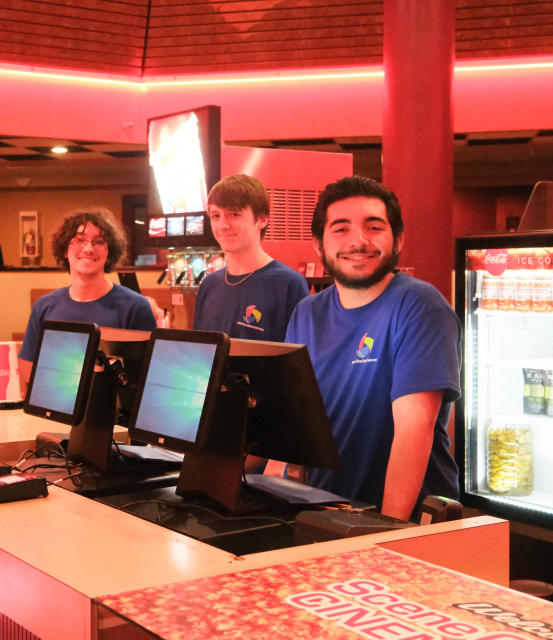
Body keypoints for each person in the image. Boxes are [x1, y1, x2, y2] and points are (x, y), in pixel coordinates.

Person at [285, 176, 461, 521]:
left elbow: (414, 429)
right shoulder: (307, 312)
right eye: (341, 229)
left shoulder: (419, 305)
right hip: (325, 512)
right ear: (319, 246)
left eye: (374, 227)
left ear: (397, 240)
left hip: (405, 522)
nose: (359, 241)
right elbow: (294, 420)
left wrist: (387, 532)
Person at [17, 208, 157, 388]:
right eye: (79, 240)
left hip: (114, 414)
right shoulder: (44, 307)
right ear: (65, 250)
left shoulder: (135, 307)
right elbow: (29, 373)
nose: (89, 248)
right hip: (56, 411)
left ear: (109, 253)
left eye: (99, 242)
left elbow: (149, 379)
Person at [193, 174, 308, 342]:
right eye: (216, 216)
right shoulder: (209, 285)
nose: (223, 225)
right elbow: (199, 353)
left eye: (234, 214)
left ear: (262, 219)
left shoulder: (288, 284)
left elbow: (300, 359)